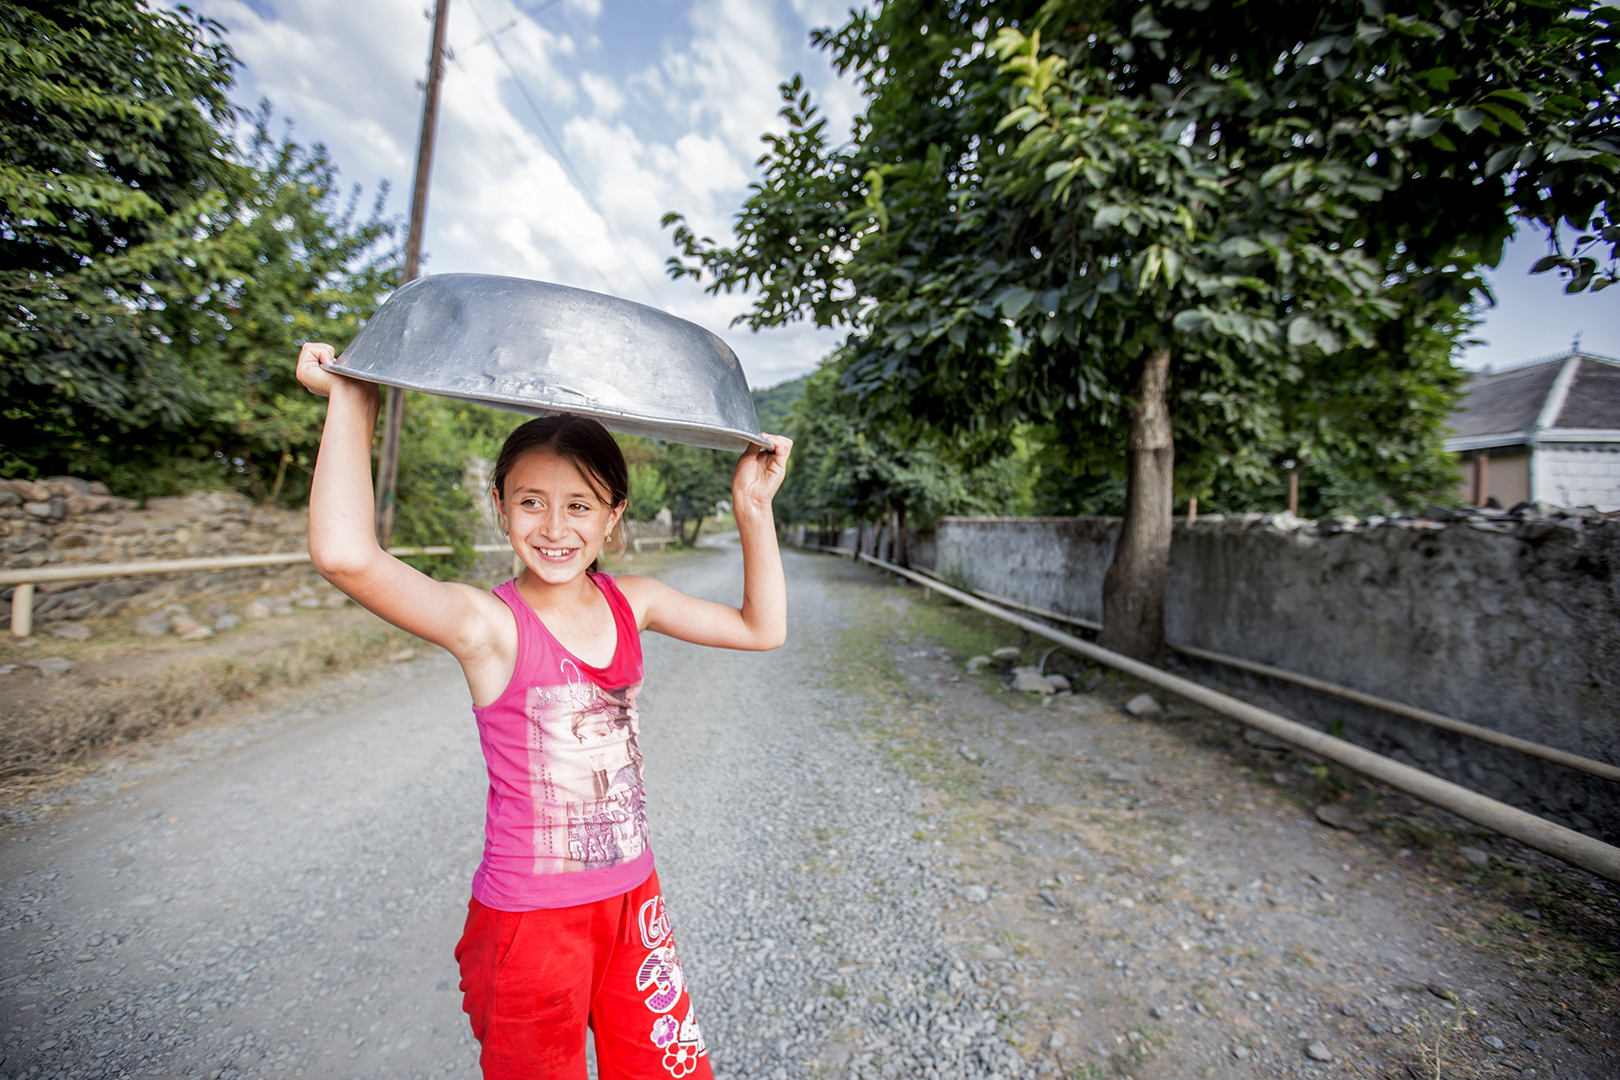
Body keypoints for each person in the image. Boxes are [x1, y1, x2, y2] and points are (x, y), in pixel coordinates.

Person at [295, 342, 792, 1080]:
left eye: (580, 505)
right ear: (500, 507)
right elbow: (345, 555)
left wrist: (751, 507)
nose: (555, 527)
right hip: (530, 923)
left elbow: (762, 628)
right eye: (532, 501)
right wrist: (353, 400)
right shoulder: (486, 627)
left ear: (613, 516)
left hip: (633, 903)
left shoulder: (638, 602)